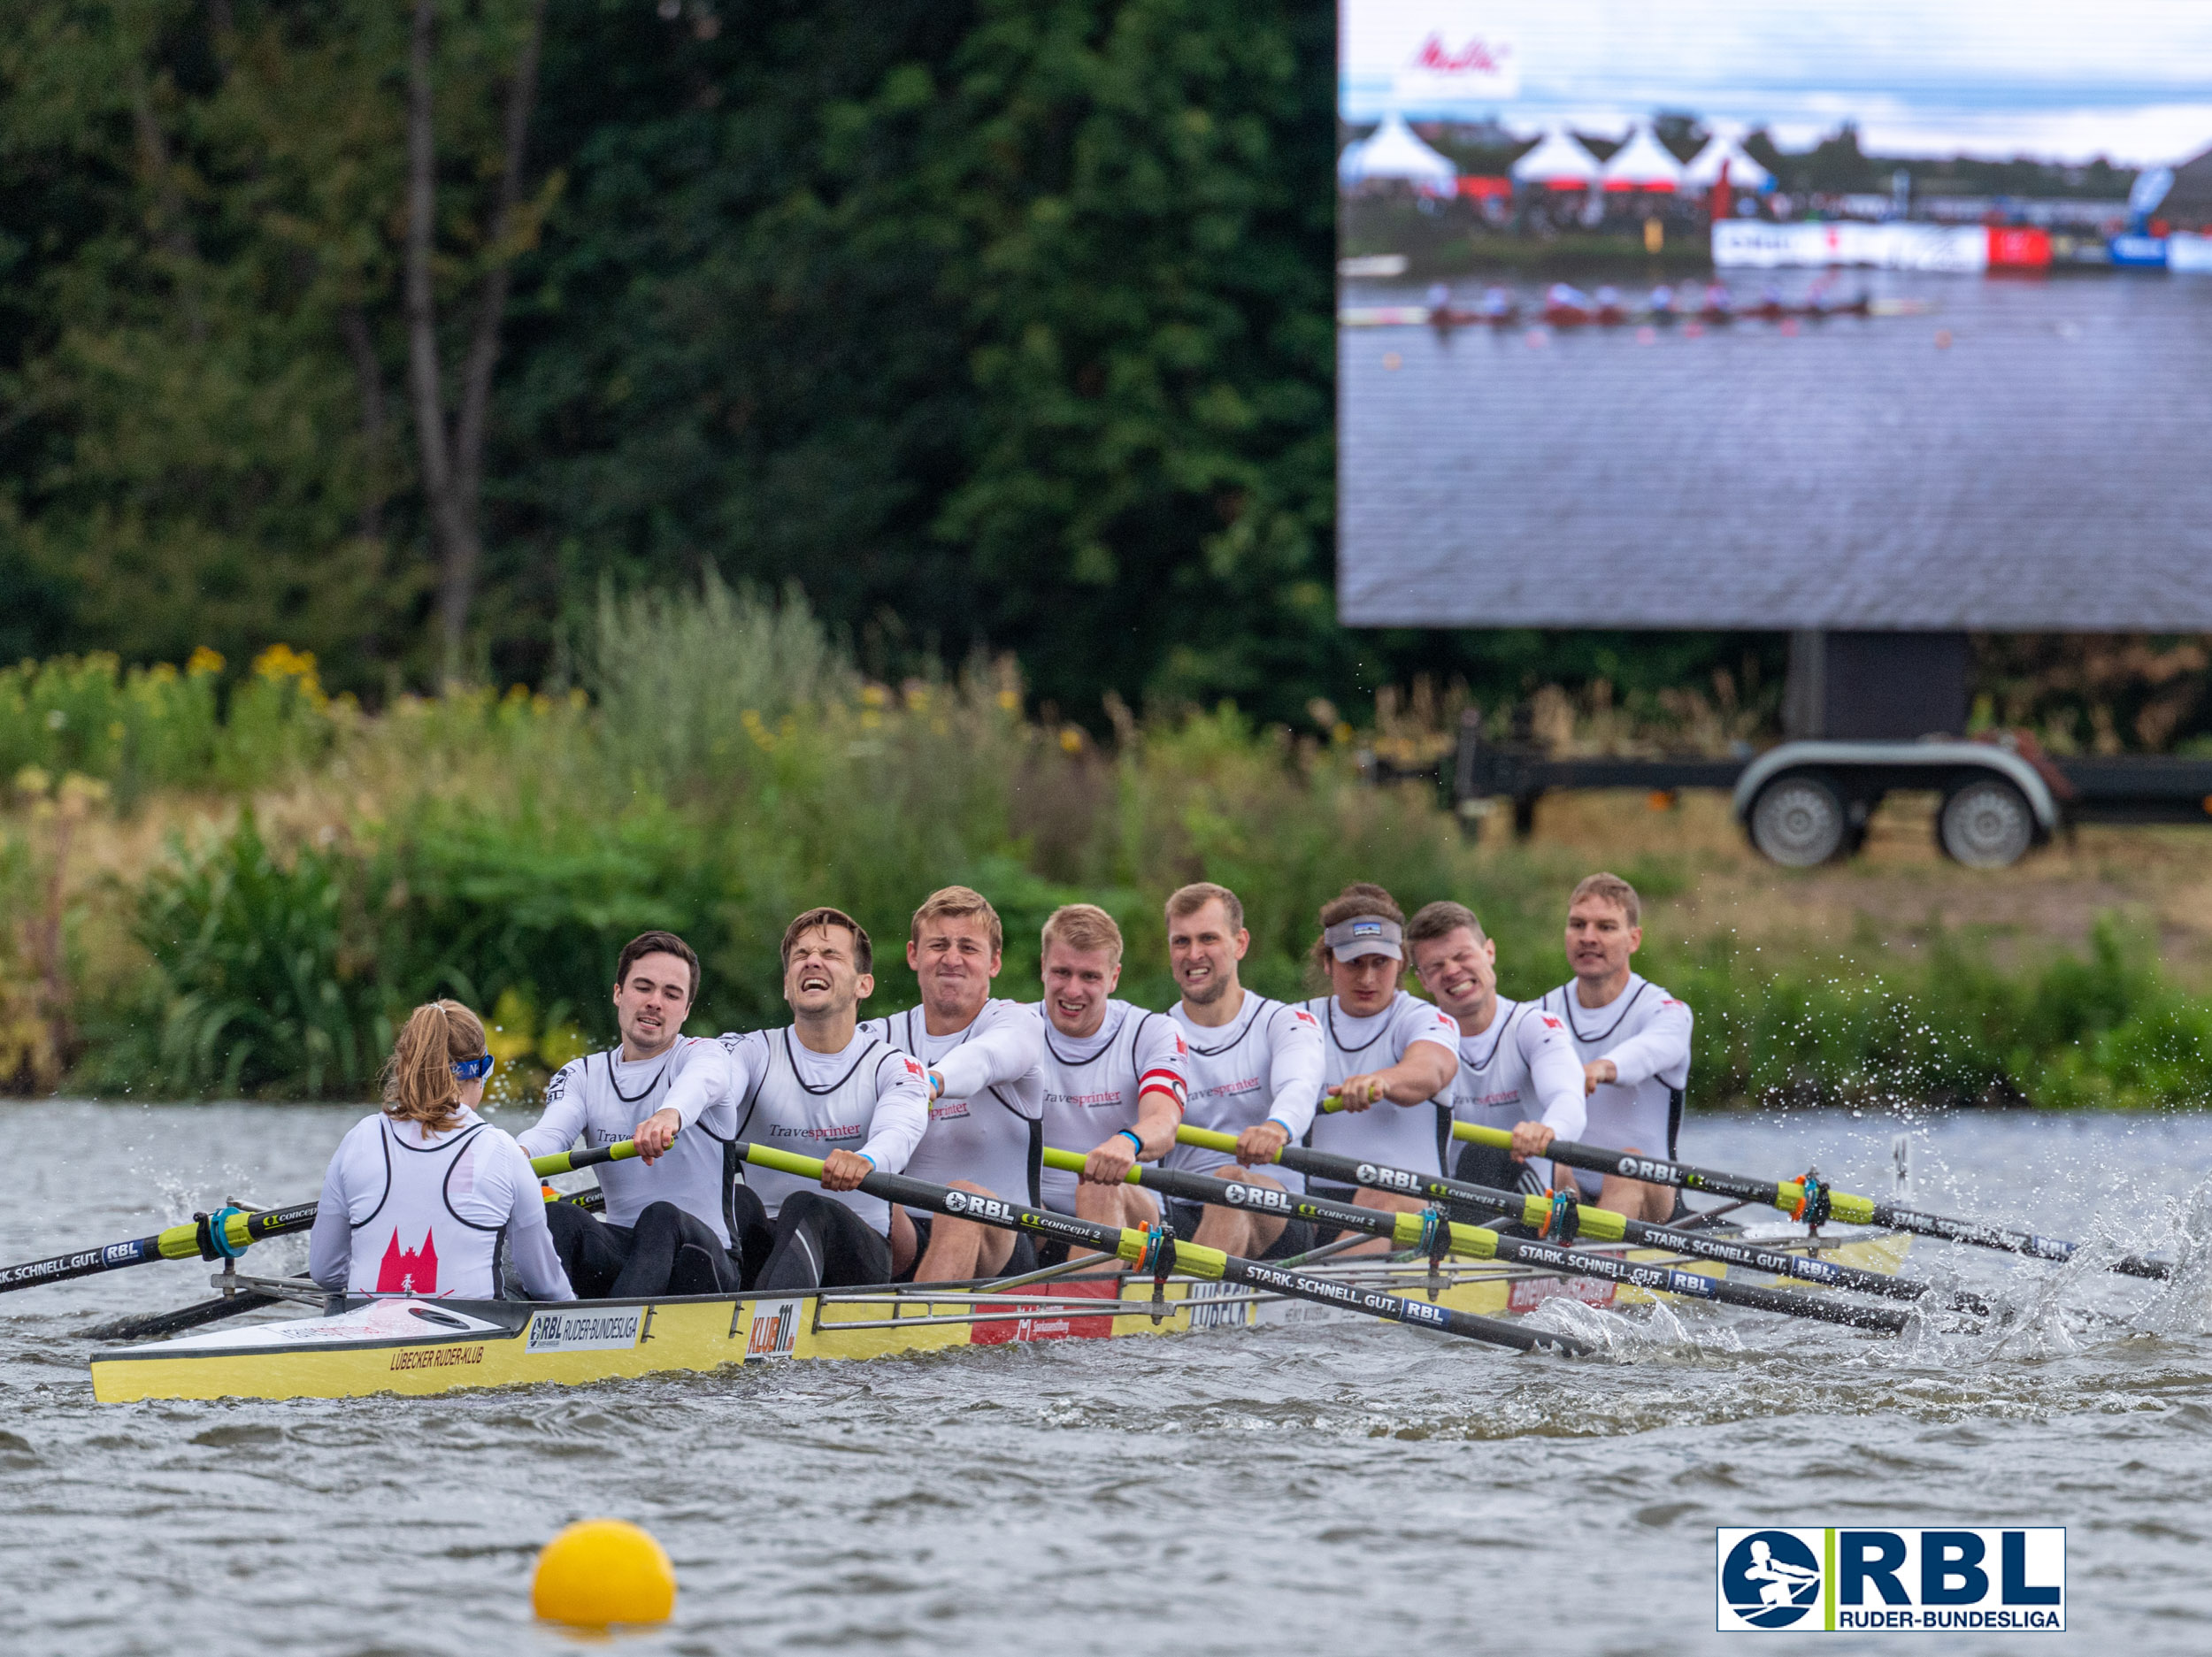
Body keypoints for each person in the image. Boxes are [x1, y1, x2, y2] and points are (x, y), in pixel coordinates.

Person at [517, 931, 740, 1298]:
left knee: (661, 1216)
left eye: (671, 994)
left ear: (685, 1011)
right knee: (558, 1216)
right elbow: (548, 1138)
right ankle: (540, 1323)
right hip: (630, 1255)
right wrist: (514, 1159)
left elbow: (701, 1083)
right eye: (643, 987)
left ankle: (611, 1332)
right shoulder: (582, 1075)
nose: (655, 1002)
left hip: (706, 1264)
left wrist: (669, 1115)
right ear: (619, 993)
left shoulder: (703, 1055)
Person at [719, 908, 933, 1291]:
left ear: (863, 985)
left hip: (856, 1250)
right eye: (801, 956)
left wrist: (866, 1159)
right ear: (787, 986)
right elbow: (715, 1091)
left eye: (830, 955)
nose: (812, 961)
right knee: (735, 1200)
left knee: (805, 1205)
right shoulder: (751, 1052)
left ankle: (765, 1328)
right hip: (766, 1243)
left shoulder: (894, 1065)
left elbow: (900, 1131)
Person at [309, 1000, 572, 1302]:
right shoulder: (502, 1150)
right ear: (482, 1071)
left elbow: (324, 1271)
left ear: (403, 1068)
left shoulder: (360, 1138)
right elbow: (547, 1286)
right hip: (473, 1340)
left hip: (368, 1330)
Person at [861, 886, 1046, 1282]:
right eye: (938, 945)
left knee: (961, 1196)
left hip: (1003, 1240)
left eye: (968, 947)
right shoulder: (878, 1035)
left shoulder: (1018, 1024)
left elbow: (985, 1059)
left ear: (994, 962)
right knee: (847, 1194)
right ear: (913, 954)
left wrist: (930, 1082)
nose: (951, 958)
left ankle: (914, 1334)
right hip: (906, 1234)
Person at [1159, 881, 1325, 1260]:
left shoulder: (1285, 1022)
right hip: (1182, 1209)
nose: (1194, 954)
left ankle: (1177, 1311)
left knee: (1230, 1180)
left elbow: (1299, 1085)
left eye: (1208, 939)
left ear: (1240, 943)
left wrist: (1276, 1127)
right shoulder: (1154, 1034)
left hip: (1277, 1215)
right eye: (1181, 942)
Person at [1301, 884, 1460, 1250]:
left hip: (1415, 1203)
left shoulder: (1425, 1019)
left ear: (1401, 962)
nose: (1368, 978)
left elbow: (1431, 1069)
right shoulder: (1298, 1020)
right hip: (1315, 1203)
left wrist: (1381, 1081)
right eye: (1354, 963)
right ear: (1328, 963)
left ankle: (1321, 1299)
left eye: (1380, 963)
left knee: (1378, 1196)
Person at [1032, 903, 1187, 1256]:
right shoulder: (1013, 1025)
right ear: (1043, 968)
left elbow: (1164, 1121)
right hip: (1037, 1215)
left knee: (1097, 1184)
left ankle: (1077, 1309)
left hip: (1131, 1211)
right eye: (1062, 973)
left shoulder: (1152, 1031)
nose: (1072, 991)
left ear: (1114, 978)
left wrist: (1128, 1141)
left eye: (1089, 977)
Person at [1536, 872, 1693, 1222]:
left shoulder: (1666, 1012)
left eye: (1605, 927)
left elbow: (1652, 1050)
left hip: (1654, 1201)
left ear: (1633, 939)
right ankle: (1564, 1259)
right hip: (1569, 1190)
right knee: (1554, 1161)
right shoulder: (1538, 1014)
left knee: (1626, 1168)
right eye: (1578, 924)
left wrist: (1600, 1068)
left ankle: (1592, 1268)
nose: (1588, 937)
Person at [1405, 900, 1586, 1200]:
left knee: (1487, 1157)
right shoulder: (1417, 1040)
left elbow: (1568, 1098)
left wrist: (1548, 1131)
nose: (1451, 971)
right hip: (1450, 1204)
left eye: (1462, 956)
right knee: (1477, 1159)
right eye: (1436, 966)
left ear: (1489, 952)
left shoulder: (1535, 1026)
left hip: (1533, 1204)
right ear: (1423, 980)